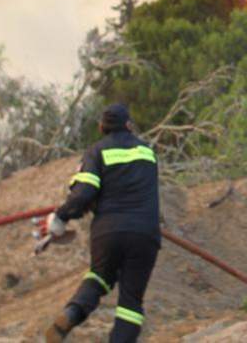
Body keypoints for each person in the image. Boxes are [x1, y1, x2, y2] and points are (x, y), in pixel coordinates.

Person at [44, 103, 161, 343]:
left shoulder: (97, 152)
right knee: (131, 302)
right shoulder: (148, 152)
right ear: (128, 125)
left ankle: (71, 313)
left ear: (101, 127)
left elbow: (84, 193)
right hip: (144, 233)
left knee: (99, 277)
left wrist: (61, 217)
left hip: (108, 231)